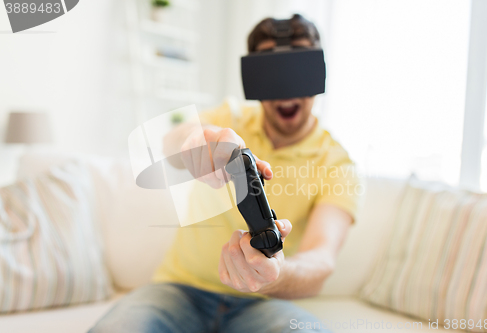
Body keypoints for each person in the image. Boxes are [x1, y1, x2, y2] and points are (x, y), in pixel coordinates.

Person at [90, 14, 360, 333]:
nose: (286, 89)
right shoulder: (230, 117)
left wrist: (275, 273)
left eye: (298, 67)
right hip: (178, 293)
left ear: (316, 72)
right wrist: (196, 142)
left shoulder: (338, 163)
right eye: (271, 70)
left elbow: (321, 258)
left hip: (264, 304)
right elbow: (174, 136)